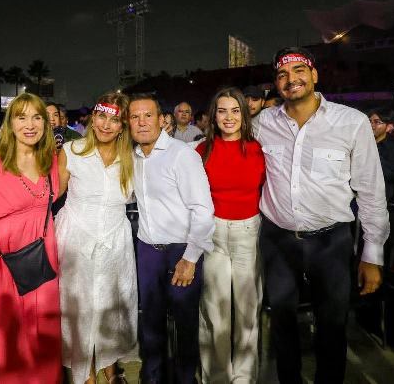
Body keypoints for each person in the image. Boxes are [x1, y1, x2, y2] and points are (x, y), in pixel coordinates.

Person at [254, 47, 389, 383]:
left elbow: (371, 190)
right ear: (276, 83)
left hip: (331, 241)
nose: (291, 79)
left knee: (332, 324)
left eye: (299, 70)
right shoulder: (262, 124)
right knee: (282, 324)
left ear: (314, 75)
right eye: (282, 74)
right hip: (278, 240)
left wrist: (372, 253)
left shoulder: (351, 122)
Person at [0, 93, 62, 384]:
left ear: (46, 123)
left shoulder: (50, 162)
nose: (29, 125)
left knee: (41, 334)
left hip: (41, 260)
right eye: (21, 117)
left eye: (36, 117)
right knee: (4, 337)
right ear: (10, 123)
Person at [129, 93, 215, 383]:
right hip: (147, 250)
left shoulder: (182, 155)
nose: (142, 122)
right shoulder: (133, 157)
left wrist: (190, 258)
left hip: (181, 250)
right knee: (150, 322)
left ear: (161, 119)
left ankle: (185, 379)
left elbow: (203, 210)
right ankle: (153, 377)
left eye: (148, 115)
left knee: (185, 323)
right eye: (135, 117)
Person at [56, 92, 136, 384]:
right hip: (75, 238)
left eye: (114, 120)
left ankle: (111, 371)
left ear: (122, 125)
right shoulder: (72, 151)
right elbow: (52, 194)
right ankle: (85, 375)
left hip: (115, 241)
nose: (106, 125)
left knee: (111, 307)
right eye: (101, 116)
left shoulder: (132, 158)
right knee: (78, 308)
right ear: (93, 118)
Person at [195, 87, 265, 383]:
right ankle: (217, 377)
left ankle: (244, 378)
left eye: (235, 111)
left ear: (244, 114)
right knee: (215, 311)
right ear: (213, 116)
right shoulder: (200, 151)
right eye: (222, 111)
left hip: (249, 231)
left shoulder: (259, 149)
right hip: (213, 234)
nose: (229, 117)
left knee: (248, 310)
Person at [367, 108, 394, 202]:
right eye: (369, 121)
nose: (371, 125)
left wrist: (375, 160)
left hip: (377, 199)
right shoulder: (362, 143)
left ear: (389, 127)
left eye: (377, 122)